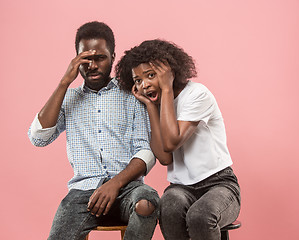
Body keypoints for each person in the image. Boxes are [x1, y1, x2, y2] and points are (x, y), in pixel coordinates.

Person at [27, 21, 159, 240]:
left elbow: (146, 151)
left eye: (100, 58)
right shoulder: (68, 98)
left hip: (127, 189)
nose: (92, 65)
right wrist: (63, 83)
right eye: (85, 59)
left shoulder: (131, 95)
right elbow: (38, 138)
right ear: (76, 59)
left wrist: (115, 183)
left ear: (113, 57)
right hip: (82, 195)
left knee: (148, 201)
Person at [116, 39, 241, 240]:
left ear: (170, 72)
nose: (144, 84)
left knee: (200, 215)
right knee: (168, 207)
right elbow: (165, 157)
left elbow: (172, 141)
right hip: (181, 188)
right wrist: (150, 107)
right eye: (138, 80)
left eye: (151, 75)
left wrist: (166, 88)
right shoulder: (157, 106)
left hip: (219, 184)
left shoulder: (197, 94)